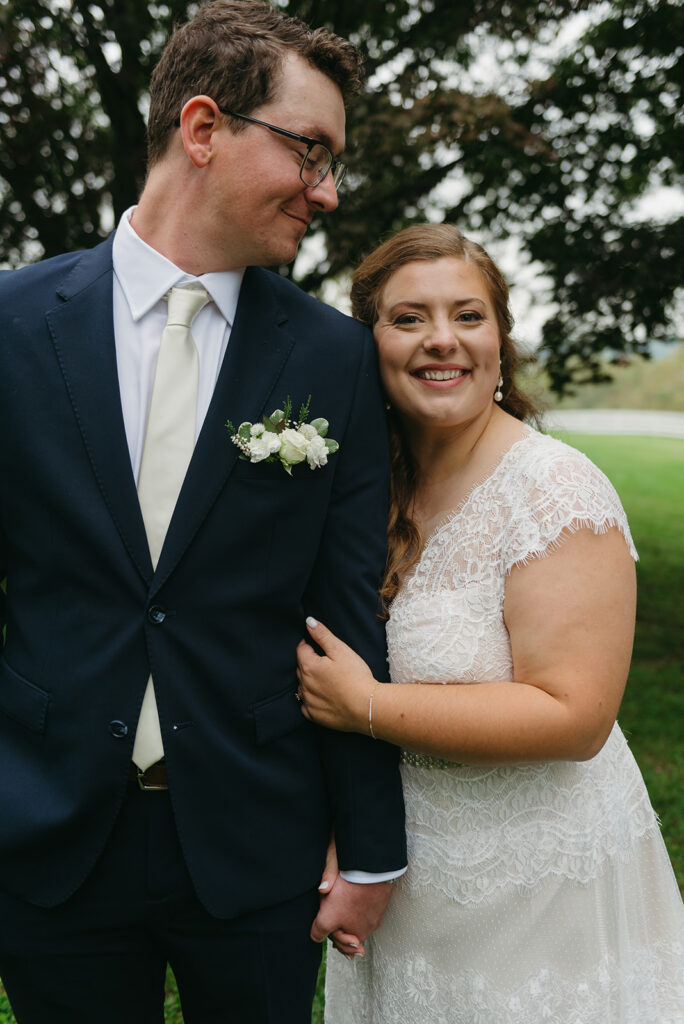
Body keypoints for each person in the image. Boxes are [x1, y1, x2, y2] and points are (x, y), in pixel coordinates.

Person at [0, 3, 407, 1021]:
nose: (328, 189)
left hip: (258, 843)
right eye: (310, 151)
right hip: (47, 834)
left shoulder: (332, 358)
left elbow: (346, 613)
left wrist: (370, 846)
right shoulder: (10, 325)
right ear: (203, 128)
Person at [297, 224, 684, 1022]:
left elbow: (574, 715)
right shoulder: (362, 488)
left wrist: (364, 705)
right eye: (408, 318)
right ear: (367, 342)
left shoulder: (554, 492)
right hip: (405, 886)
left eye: (468, 316)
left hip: (539, 891)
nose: (443, 340)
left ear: (501, 340)